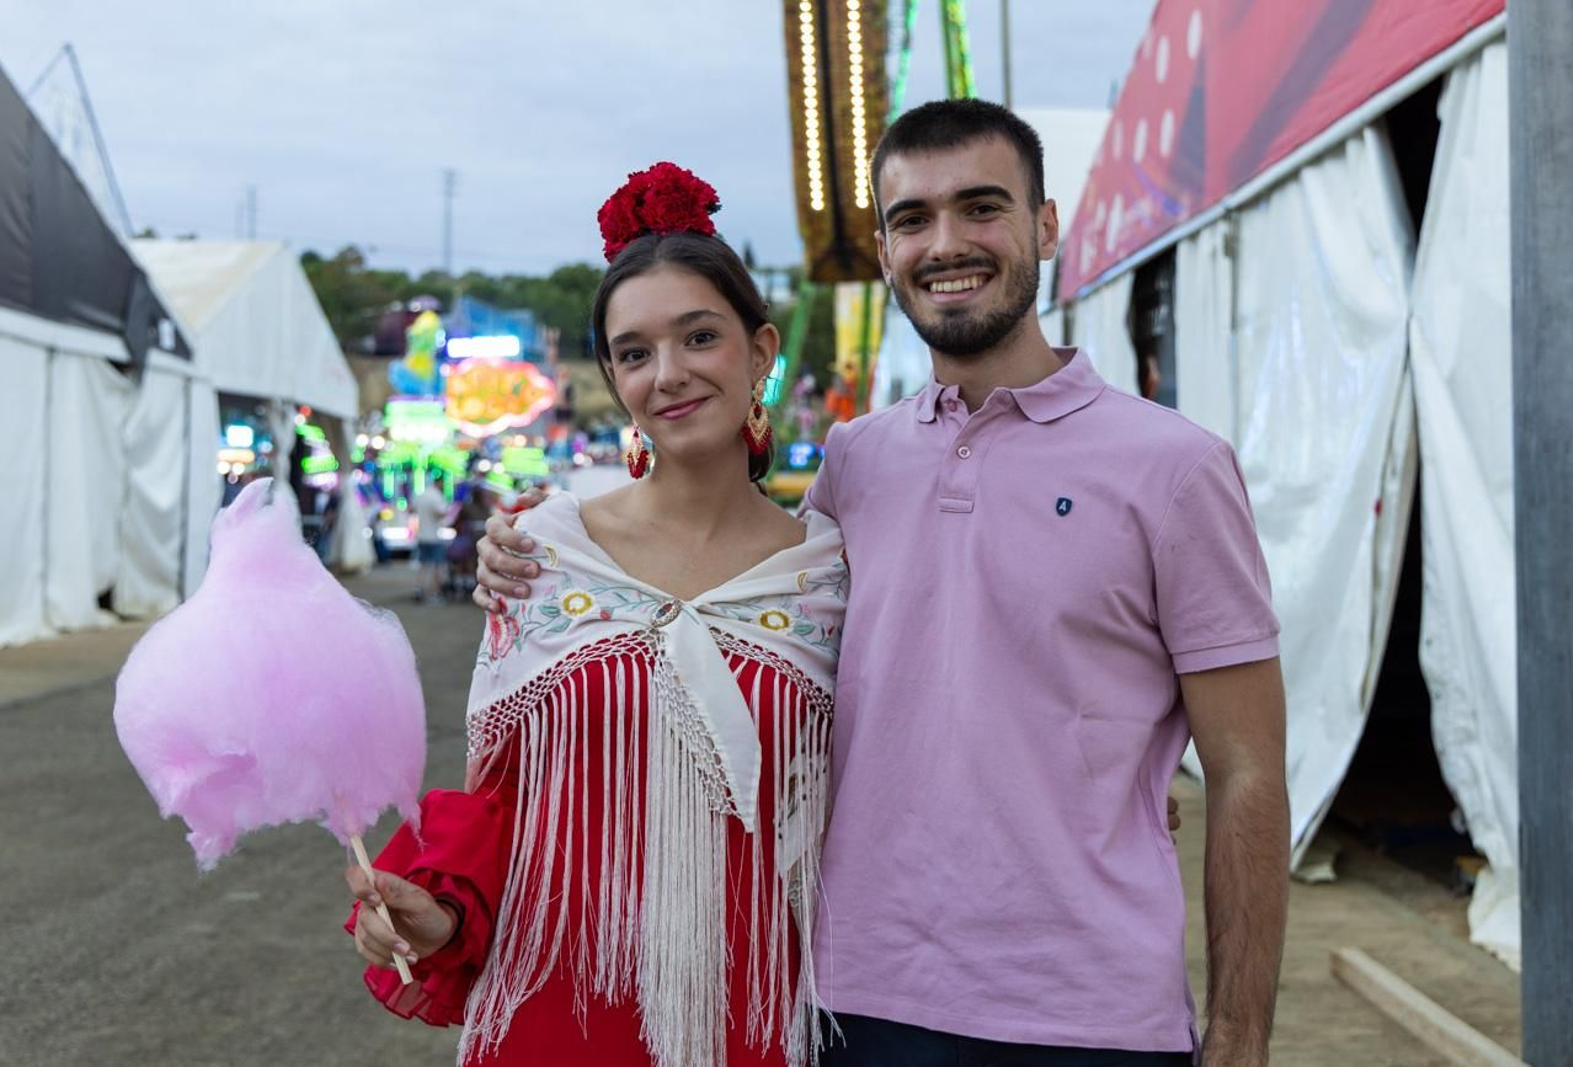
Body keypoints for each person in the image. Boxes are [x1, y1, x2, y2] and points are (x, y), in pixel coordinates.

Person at [477, 100, 1288, 1066]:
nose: (946, 244)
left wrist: (1240, 1034)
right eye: (913, 219)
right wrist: (542, 550)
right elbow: (729, 644)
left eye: (981, 207)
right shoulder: (855, 465)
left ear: (1045, 225)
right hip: (858, 1004)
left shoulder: (1177, 468)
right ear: (886, 250)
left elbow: (1247, 767)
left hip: (1090, 1016)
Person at [345, 162, 849, 1067]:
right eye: (634, 352)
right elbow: (501, 796)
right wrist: (440, 908)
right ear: (613, 377)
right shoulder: (543, 553)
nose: (670, 374)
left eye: (700, 336)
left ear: (762, 351)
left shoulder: (833, 575)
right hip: (557, 1016)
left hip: (759, 1018)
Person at [412, 472, 449, 602]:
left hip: (422, 535)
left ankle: (418, 588)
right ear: (440, 483)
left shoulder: (422, 495)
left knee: (422, 564)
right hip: (434, 536)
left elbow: (412, 509)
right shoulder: (437, 496)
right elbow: (442, 512)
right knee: (438, 565)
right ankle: (436, 592)